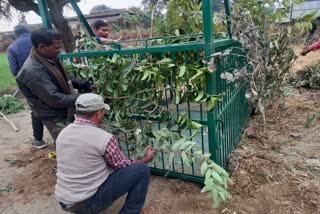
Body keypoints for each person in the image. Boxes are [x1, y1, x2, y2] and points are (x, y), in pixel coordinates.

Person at [55, 93, 154, 214]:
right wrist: (145, 159)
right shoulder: (104, 138)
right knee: (141, 170)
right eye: (103, 111)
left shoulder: (63, 133)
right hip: (87, 203)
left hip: (65, 200)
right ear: (98, 113)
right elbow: (122, 165)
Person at [16, 28, 95, 142]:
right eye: (56, 48)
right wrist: (85, 98)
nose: (59, 51)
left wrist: (86, 85)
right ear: (42, 47)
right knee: (65, 143)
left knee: (74, 140)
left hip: (62, 109)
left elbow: (66, 79)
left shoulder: (49, 58)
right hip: (52, 115)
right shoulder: (34, 72)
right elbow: (54, 99)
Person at [7, 25, 47, 149]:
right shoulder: (39, 40)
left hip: (29, 83)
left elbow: (15, 70)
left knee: (36, 109)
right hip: (47, 76)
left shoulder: (12, 47)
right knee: (55, 102)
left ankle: (39, 140)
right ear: (28, 30)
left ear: (16, 33)